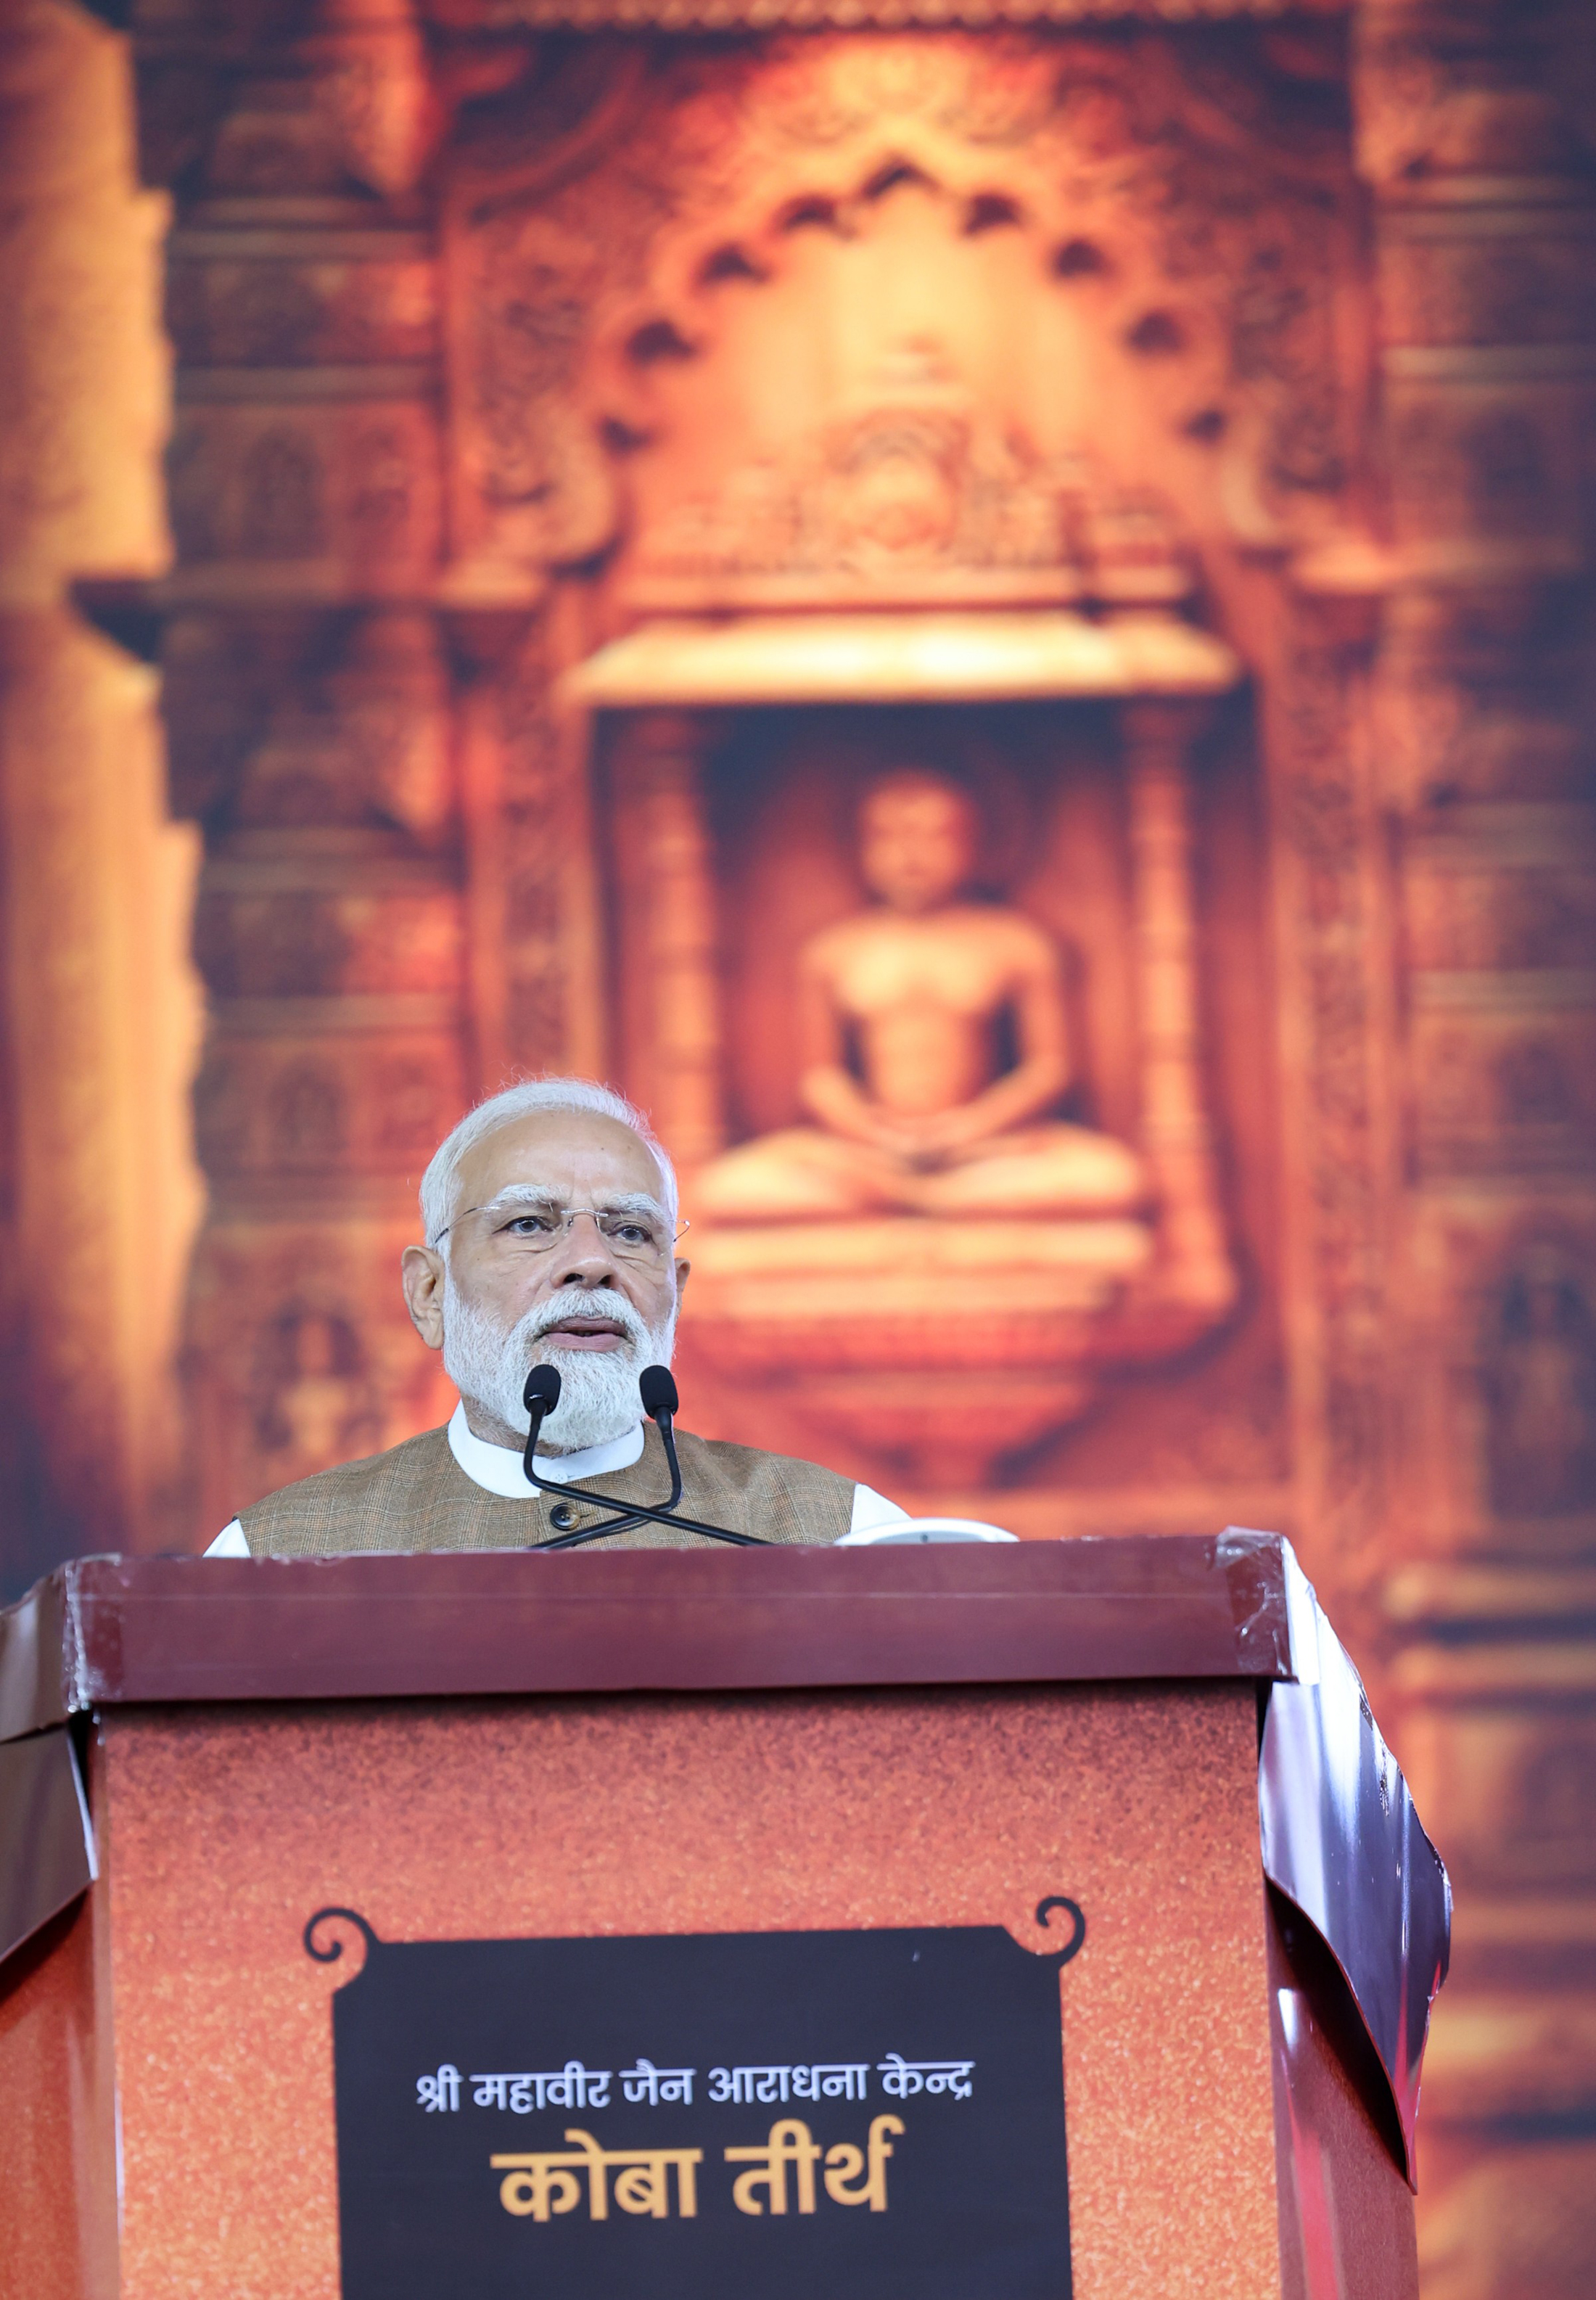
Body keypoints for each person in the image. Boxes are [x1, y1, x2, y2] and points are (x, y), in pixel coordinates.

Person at [205, 1077, 907, 1555]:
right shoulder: (277, 1553)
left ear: (676, 1292)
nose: (590, 1261)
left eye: (630, 1231)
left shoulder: (843, 1533)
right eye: (530, 1223)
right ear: (428, 1292)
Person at [693, 766, 1144, 1223]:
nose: (910, 855)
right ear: (861, 848)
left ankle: (916, 1201)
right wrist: (874, 1134)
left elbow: (1048, 1069)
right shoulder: (835, 951)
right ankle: (920, 1198)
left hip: (986, 1151)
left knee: (1115, 1178)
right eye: (888, 838)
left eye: (935, 837)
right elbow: (821, 1078)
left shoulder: (1016, 943)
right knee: (724, 1189)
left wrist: (969, 1130)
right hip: (870, 1153)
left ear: (976, 845)